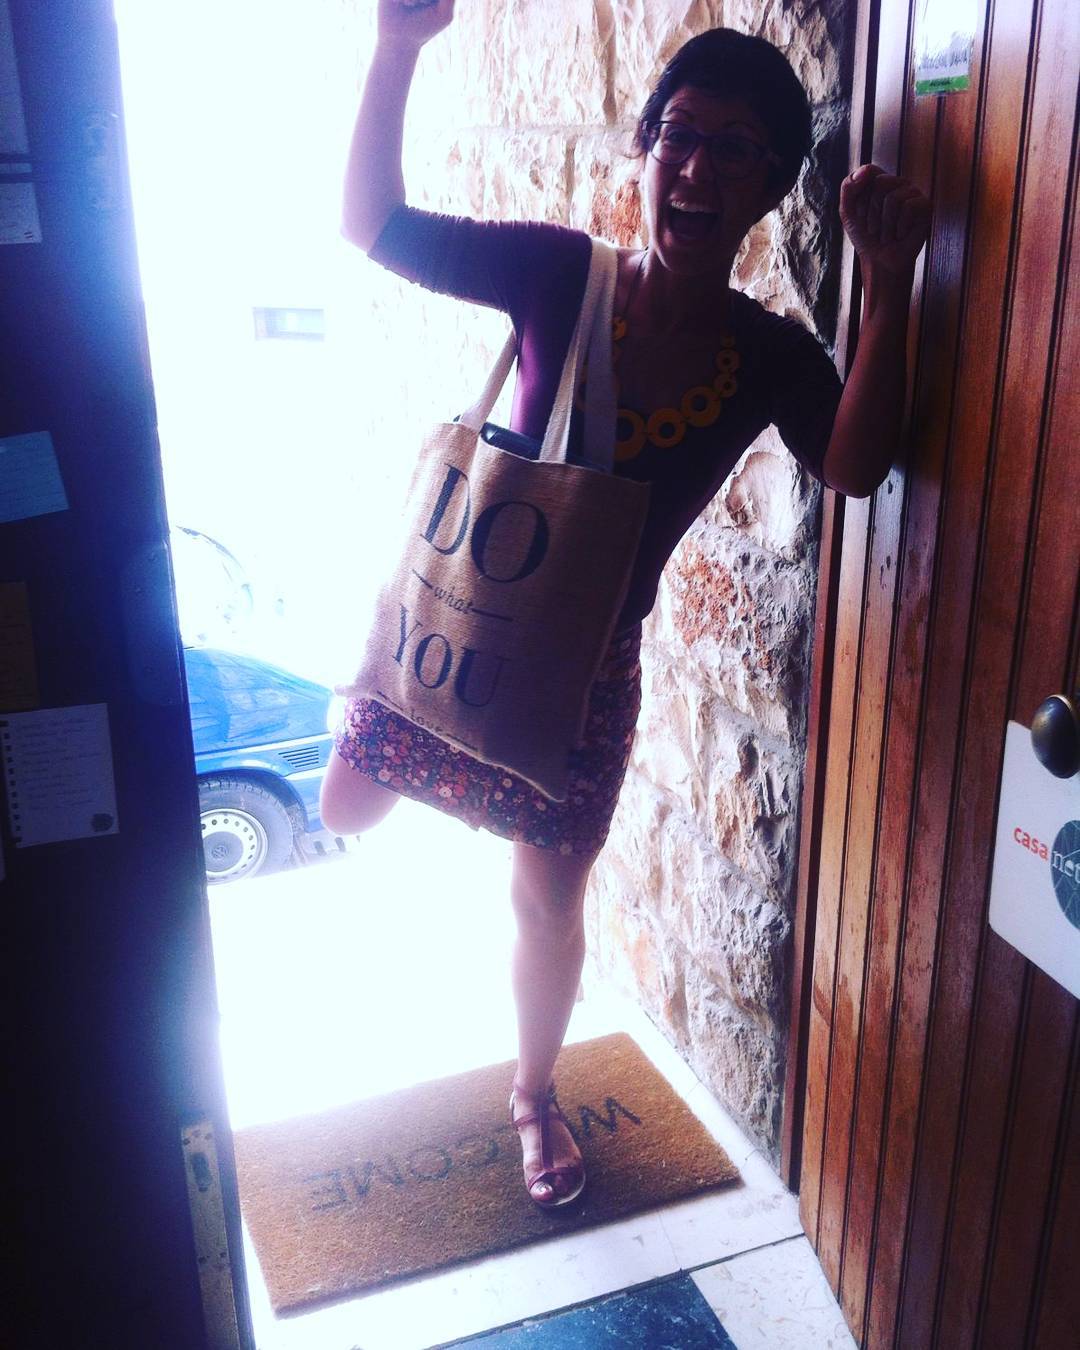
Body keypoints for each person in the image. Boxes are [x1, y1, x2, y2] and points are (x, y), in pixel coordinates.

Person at [322, 0, 932, 1209]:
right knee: (345, 807)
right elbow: (374, 224)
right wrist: (396, 50)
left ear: (771, 191)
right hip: (459, 624)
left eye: (737, 151)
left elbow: (857, 465)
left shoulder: (766, 357)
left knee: (547, 900)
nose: (697, 170)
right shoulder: (558, 275)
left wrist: (891, 281)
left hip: (590, 673)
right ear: (645, 151)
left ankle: (532, 1095)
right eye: (680, 135)